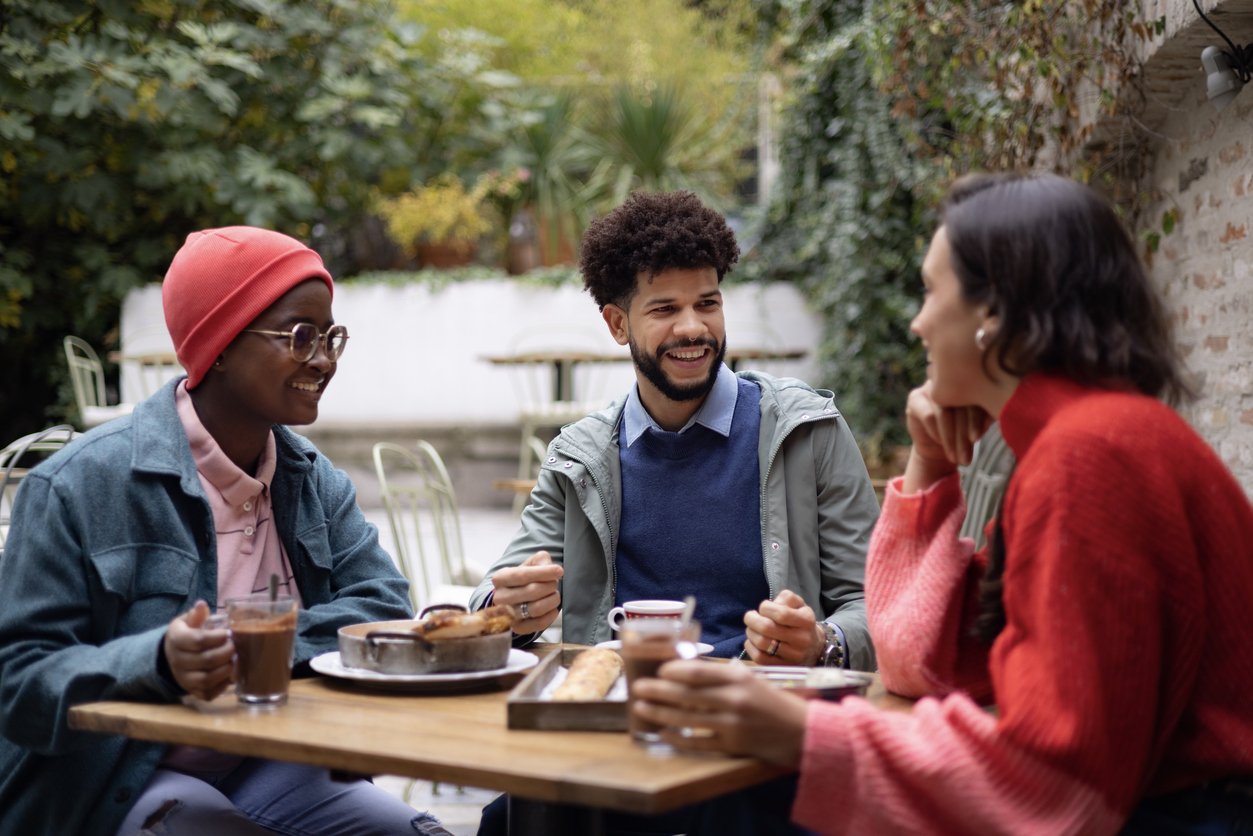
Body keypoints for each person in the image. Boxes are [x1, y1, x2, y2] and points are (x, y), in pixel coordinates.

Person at [631, 173, 1253, 834]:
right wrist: (927, 466)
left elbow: (1056, 789)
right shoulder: (1081, 438)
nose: (916, 321)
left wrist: (806, 734)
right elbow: (918, 667)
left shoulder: (1089, 457)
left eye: (931, 292)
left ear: (994, 312)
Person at [0, 227, 451, 836]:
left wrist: (253, 648)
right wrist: (155, 660)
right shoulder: (78, 487)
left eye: (330, 337)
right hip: (114, 777)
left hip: (270, 760)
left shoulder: (311, 479)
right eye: (300, 336)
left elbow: (383, 605)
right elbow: (20, 682)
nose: (323, 360)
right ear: (219, 344)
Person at [470, 189, 880, 669]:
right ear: (617, 324)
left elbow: (879, 603)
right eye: (665, 310)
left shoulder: (807, 432)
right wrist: (511, 610)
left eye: (707, 303)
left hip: (765, 708)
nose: (693, 328)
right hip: (618, 709)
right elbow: (497, 593)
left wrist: (822, 642)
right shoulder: (578, 460)